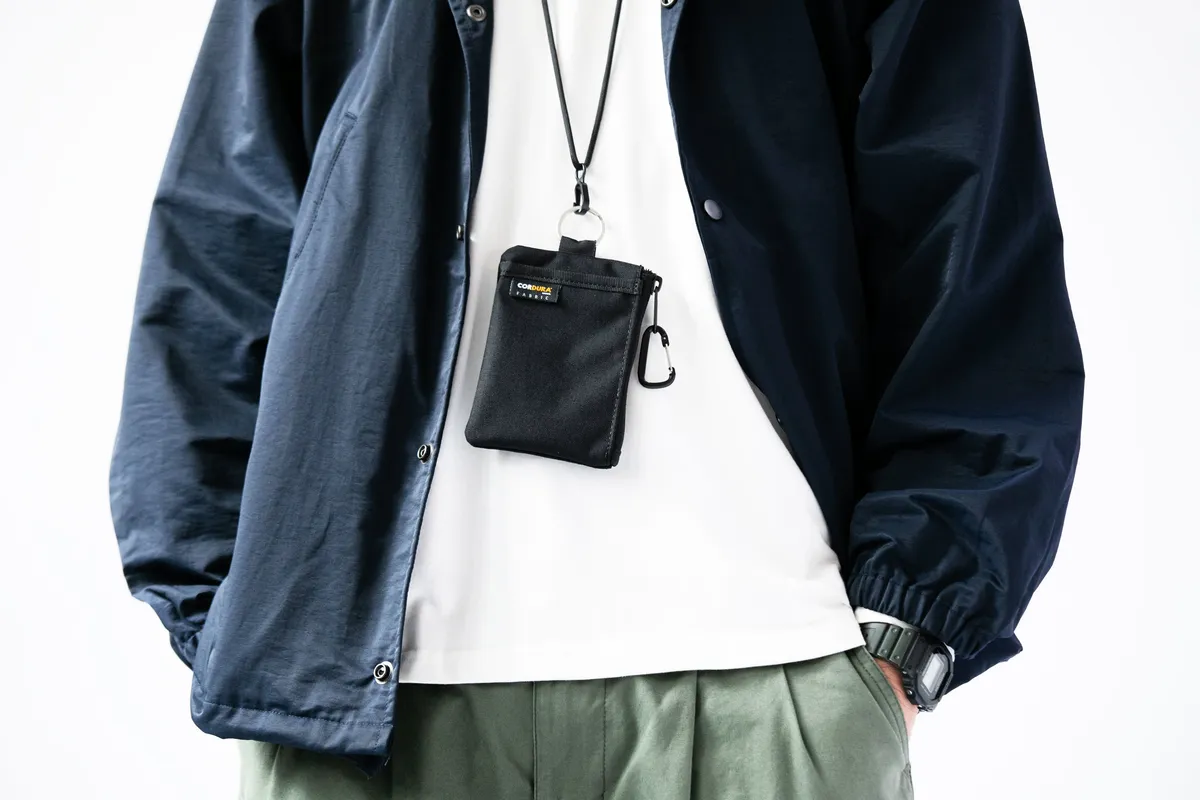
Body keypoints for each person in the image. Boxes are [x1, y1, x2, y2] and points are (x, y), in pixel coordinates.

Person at [109, 1, 1084, 798]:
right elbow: (219, 250)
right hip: (366, 710)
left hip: (774, 681)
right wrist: (228, 609)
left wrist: (905, 636)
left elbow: (978, 277)